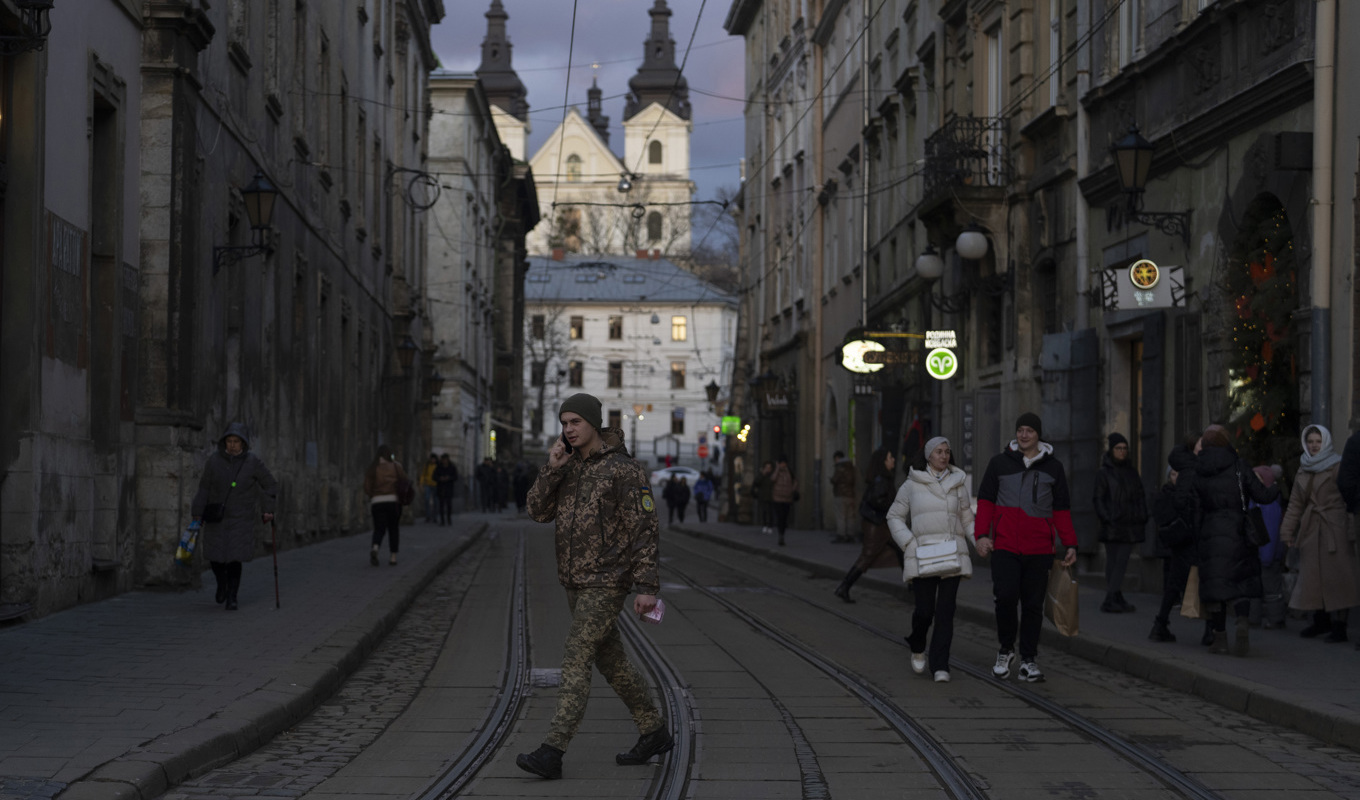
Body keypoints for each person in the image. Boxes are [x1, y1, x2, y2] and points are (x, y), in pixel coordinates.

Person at [516, 393, 671, 780]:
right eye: (564, 423)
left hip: (608, 581)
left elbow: (644, 530)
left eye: (576, 422)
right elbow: (536, 511)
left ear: (593, 423)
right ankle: (653, 730)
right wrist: (551, 469)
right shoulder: (567, 466)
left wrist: (646, 586)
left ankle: (553, 750)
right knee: (611, 661)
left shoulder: (623, 470)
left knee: (576, 655)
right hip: (574, 580)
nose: (569, 430)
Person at [974, 413, 1078, 683]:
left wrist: (1070, 543)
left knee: (1033, 605)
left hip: (1040, 549)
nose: (1023, 435)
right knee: (1005, 597)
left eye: (1029, 430)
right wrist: (981, 535)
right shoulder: (999, 463)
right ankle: (1005, 650)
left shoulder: (1053, 468)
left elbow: (1061, 509)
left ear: (1038, 435)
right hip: (1005, 546)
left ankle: (1029, 659)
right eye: (1020, 430)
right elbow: (985, 501)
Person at [1183, 424, 1278, 656]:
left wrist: (1198, 539)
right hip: (1239, 532)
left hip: (1211, 534)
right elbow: (1262, 495)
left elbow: (1195, 511)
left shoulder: (1198, 470)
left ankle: (1220, 639)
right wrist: (1277, 485)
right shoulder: (1239, 466)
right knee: (1241, 584)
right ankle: (1242, 623)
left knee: (1217, 587)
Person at [887, 437, 975, 682]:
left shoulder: (958, 483)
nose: (944, 456)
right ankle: (917, 644)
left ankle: (940, 664)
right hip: (924, 555)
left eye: (947, 451)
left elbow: (967, 518)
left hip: (952, 554)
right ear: (928, 456)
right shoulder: (911, 484)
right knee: (924, 612)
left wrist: (979, 540)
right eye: (939, 452)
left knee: (946, 612)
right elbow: (894, 516)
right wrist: (908, 542)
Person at [1280, 424, 1360, 643]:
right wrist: (1287, 531)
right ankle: (1320, 619)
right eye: (1310, 441)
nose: (1314, 446)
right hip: (1312, 528)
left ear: (1325, 442)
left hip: (1335, 527)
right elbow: (1295, 504)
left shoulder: (1337, 465)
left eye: (1318, 441)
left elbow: (1348, 496)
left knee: (1340, 577)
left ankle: (1340, 625)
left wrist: (1350, 529)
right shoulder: (1303, 468)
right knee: (1313, 577)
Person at [192, 423, 278, 611]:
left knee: (234, 559)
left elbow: (270, 485)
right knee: (215, 558)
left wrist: (268, 509)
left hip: (241, 518)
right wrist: (197, 511)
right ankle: (221, 584)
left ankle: (232, 596)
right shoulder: (214, 461)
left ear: (243, 443)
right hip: (217, 517)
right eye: (229, 441)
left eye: (236, 441)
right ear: (224, 442)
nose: (232, 445)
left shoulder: (252, 462)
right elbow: (204, 487)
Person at [1147, 441, 1199, 642]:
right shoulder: (1190, 474)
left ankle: (1160, 623)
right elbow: (1185, 504)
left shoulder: (1187, 472)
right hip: (1190, 536)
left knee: (1175, 581)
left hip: (1182, 538)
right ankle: (1212, 631)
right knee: (1194, 580)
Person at [1093, 432, 1148, 613]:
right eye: (1118, 448)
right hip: (1112, 524)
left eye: (1124, 448)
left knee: (1121, 561)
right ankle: (1112, 597)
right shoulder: (1104, 473)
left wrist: (1141, 515)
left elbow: (1139, 496)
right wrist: (1108, 517)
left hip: (1129, 524)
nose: (1122, 451)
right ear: (1112, 450)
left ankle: (1113, 596)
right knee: (1114, 561)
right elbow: (1098, 498)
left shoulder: (1131, 472)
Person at [834, 447, 897, 603]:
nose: (893, 460)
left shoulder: (883, 478)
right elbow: (877, 501)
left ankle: (914, 586)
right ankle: (844, 586)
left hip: (880, 524)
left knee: (903, 551)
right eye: (890, 457)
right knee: (867, 557)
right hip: (877, 526)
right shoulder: (881, 480)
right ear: (883, 462)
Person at [1248, 464, 1287, 630]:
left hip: (1267, 554)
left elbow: (1271, 532)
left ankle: (1276, 618)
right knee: (1255, 587)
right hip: (1257, 553)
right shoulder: (1255, 500)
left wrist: (1267, 555)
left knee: (1271, 587)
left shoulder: (1269, 504)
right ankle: (1253, 618)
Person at [363, 445, 408, 567]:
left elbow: (367, 487)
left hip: (377, 502)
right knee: (393, 528)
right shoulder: (396, 466)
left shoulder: (373, 468)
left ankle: (375, 547)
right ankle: (393, 557)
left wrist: (373, 495)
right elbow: (404, 480)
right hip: (393, 501)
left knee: (379, 528)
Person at [829, 450, 859, 544]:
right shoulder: (851, 467)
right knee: (850, 516)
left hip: (841, 494)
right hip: (851, 495)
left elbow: (835, 479)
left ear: (837, 458)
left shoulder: (840, 467)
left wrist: (831, 479)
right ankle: (850, 535)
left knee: (841, 516)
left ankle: (841, 535)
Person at [770, 454, 799, 546]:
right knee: (780, 517)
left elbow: (795, 480)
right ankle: (780, 535)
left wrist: (792, 490)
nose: (783, 464)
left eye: (784, 463)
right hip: (777, 498)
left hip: (787, 498)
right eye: (781, 463)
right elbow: (772, 479)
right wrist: (777, 469)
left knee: (784, 518)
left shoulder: (789, 471)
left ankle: (782, 533)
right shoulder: (776, 471)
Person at [434, 454, 458, 526]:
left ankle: (449, 519)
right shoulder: (439, 467)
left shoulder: (452, 467)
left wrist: (449, 478)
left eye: (445, 460)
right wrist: (440, 478)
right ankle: (442, 521)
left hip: (449, 488)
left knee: (449, 505)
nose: (444, 461)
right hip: (441, 488)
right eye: (443, 460)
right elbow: (434, 476)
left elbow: (455, 477)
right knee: (441, 505)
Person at [751, 461, 775, 535]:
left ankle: (770, 526)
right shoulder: (761, 475)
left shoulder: (772, 476)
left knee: (770, 512)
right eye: (767, 467)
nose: (768, 469)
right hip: (763, 496)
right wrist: (762, 474)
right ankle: (764, 525)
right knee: (764, 511)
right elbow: (756, 482)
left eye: (769, 468)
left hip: (771, 496)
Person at [420, 454, 439, 523]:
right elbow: (423, 474)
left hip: (435, 484)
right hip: (428, 484)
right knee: (427, 499)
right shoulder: (427, 466)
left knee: (435, 501)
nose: (433, 460)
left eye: (434, 459)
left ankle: (435, 516)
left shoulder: (437, 466)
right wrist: (421, 483)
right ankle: (428, 516)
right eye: (432, 459)